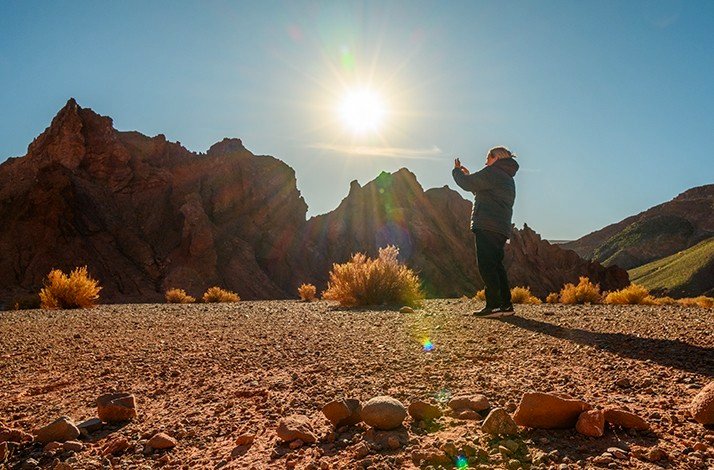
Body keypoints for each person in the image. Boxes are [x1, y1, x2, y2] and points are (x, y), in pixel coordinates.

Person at [452, 146, 519, 318]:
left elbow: (468, 184)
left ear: (496, 157)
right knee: (497, 266)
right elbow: (485, 191)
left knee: (487, 266)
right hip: (500, 227)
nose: (486, 161)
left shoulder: (493, 172)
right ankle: (505, 306)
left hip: (487, 225)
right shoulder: (506, 177)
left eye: (488, 157)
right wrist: (469, 176)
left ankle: (494, 306)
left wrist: (457, 172)